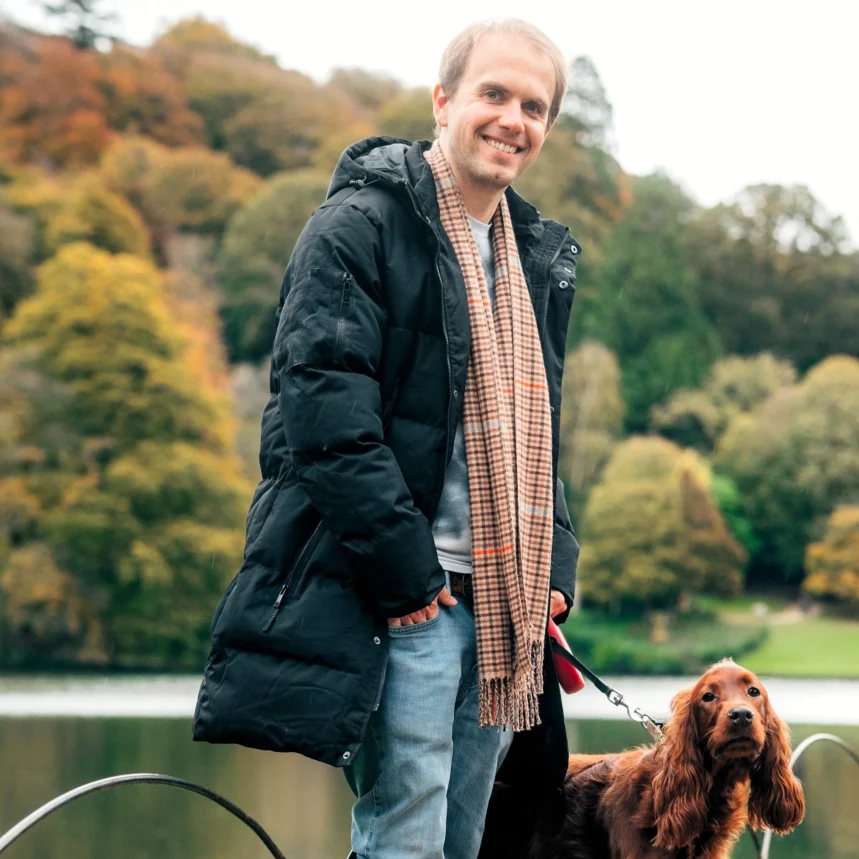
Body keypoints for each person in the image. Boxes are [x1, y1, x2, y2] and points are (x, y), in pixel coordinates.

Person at [192, 17, 582, 859]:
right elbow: (322, 415)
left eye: (534, 106)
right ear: (443, 101)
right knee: (404, 832)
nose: (512, 119)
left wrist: (555, 568)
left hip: (503, 604)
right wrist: (406, 575)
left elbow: (542, 436)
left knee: (466, 838)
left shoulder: (535, 258)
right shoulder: (358, 227)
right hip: (408, 597)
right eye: (493, 94)